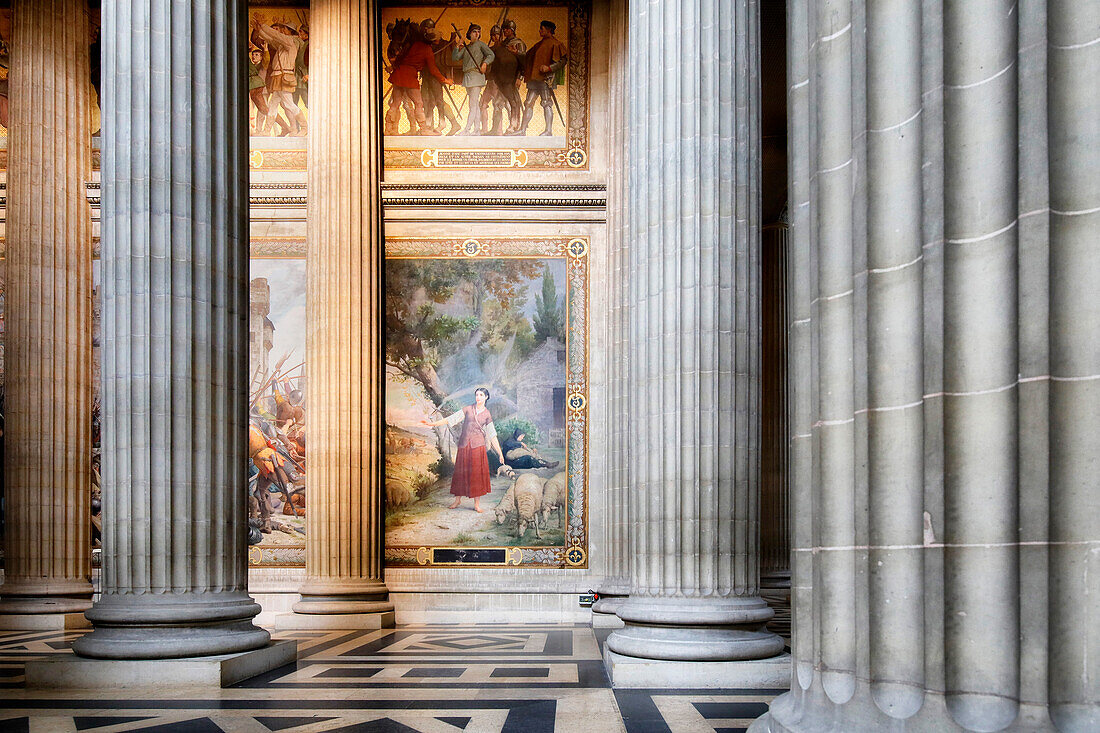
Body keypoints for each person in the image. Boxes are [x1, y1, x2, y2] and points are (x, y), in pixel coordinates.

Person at [422, 387, 504, 513]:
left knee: (477, 475)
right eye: (477, 395)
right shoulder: (468, 409)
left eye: (481, 395)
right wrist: (432, 424)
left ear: (486, 397)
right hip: (464, 446)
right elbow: (451, 419)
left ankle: (476, 504)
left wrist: (500, 453)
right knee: (460, 473)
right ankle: (457, 500)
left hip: (478, 447)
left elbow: (492, 435)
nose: (478, 397)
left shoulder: (487, 414)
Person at [386, 19, 454, 136]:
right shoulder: (428, 50)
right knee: (419, 103)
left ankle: (388, 129)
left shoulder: (414, 44)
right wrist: (445, 80)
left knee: (395, 104)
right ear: (432, 41)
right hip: (410, 78)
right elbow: (433, 70)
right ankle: (424, 129)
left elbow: (401, 59)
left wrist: (392, 67)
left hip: (398, 74)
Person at [250, 18, 308, 135]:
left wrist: (263, 25)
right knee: (273, 104)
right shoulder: (285, 43)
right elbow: (271, 40)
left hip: (284, 76)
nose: (282, 30)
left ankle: (304, 127)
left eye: (284, 28)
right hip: (279, 76)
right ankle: (267, 131)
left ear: (289, 31)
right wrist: (259, 30)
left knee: (288, 104)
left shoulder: (291, 41)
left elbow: (275, 35)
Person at [513, 20, 567, 137]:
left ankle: (548, 131)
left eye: (541, 29)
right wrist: (517, 52)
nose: (539, 31)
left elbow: (563, 61)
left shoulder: (556, 44)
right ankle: (522, 130)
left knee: (546, 103)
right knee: (528, 103)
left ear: (548, 30)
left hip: (545, 80)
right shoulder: (538, 44)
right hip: (534, 79)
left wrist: (549, 68)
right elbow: (527, 57)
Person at [419, 18, 462, 135]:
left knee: (438, 101)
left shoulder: (441, 43)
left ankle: (444, 123)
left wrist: (444, 79)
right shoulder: (425, 42)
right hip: (427, 76)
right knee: (427, 100)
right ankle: (430, 125)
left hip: (436, 76)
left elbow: (438, 64)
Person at [451, 24, 495, 136]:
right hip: (468, 77)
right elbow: (455, 58)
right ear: (469, 34)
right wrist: (458, 45)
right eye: (474, 32)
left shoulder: (481, 45)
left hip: (476, 76)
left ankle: (467, 129)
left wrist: (485, 63)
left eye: (478, 32)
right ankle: (476, 130)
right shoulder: (467, 47)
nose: (477, 34)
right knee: (474, 104)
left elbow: (491, 55)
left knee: (473, 105)